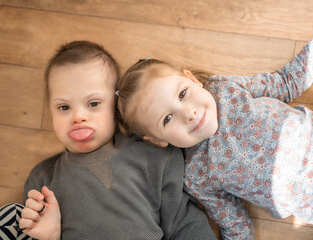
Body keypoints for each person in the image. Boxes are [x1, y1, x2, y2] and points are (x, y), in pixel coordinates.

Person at [0, 40, 217, 240]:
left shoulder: (155, 157)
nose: (78, 117)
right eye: (63, 107)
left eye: (93, 104)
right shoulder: (43, 179)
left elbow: (184, 223)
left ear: (116, 109)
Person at [116, 40, 313, 240]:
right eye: (167, 118)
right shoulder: (196, 174)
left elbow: (286, 83)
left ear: (192, 80)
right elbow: (235, 223)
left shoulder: (223, 88)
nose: (188, 114)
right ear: (158, 140)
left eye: (182, 94)